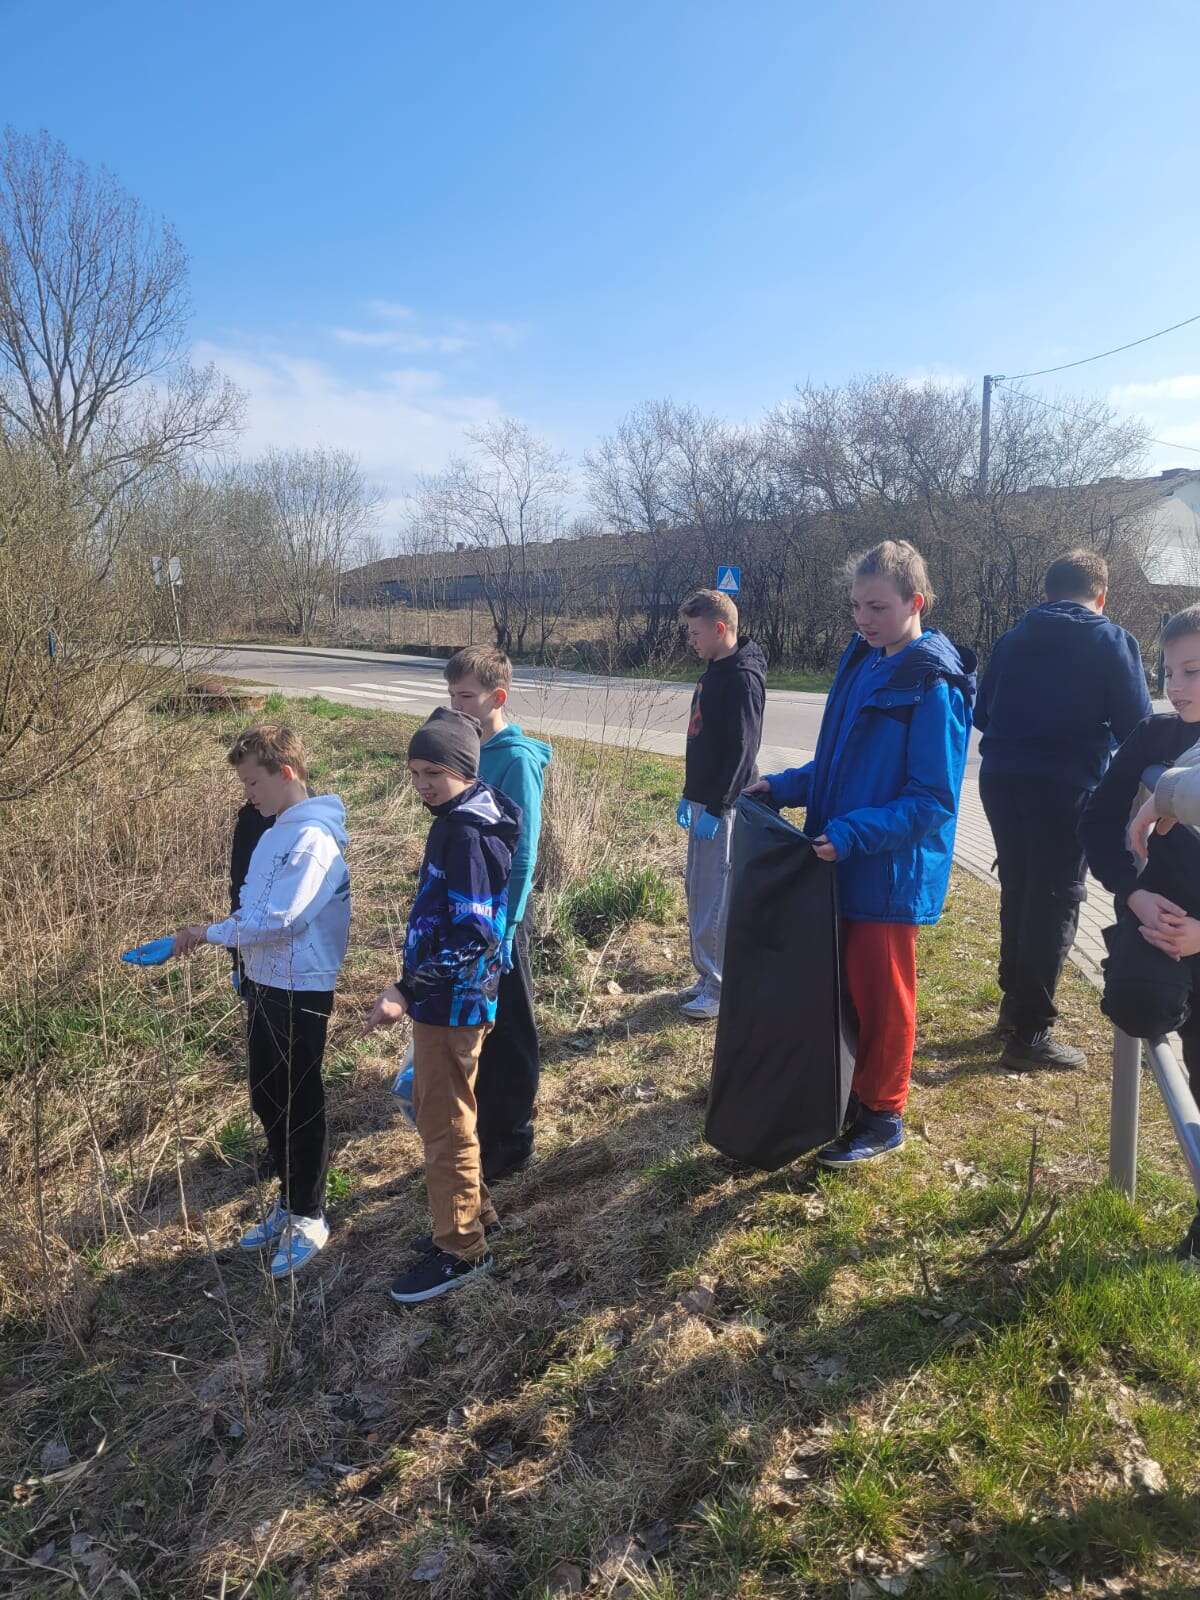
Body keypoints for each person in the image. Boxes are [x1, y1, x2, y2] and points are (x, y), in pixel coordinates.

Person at [746, 540, 975, 1166]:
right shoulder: (865, 660)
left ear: (915, 602)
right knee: (845, 990)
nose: (863, 618)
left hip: (888, 873)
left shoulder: (934, 684)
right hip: (841, 862)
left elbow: (932, 801)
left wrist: (852, 834)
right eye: (855, 606)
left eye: (877, 607)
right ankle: (849, 1091)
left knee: (883, 999)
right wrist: (784, 787)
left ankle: (883, 1114)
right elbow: (839, 762)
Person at [171, 725, 351, 1276]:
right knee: (267, 1095)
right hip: (265, 981)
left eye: (253, 782)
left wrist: (206, 933)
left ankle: (310, 1216)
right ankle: (289, 1201)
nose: (248, 794)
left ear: (286, 773)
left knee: (298, 1098)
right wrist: (235, 955)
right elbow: (251, 906)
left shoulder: (313, 839)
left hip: (301, 987)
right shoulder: (275, 831)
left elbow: (281, 919)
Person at [975, 549, 1151, 1070]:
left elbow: (982, 713)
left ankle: (1013, 1007)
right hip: (1065, 787)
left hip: (1001, 781)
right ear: (1101, 597)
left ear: (1047, 593)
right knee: (1055, 901)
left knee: (1019, 888)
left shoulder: (1012, 639)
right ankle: (1030, 1035)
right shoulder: (1112, 641)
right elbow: (1138, 728)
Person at [366, 707, 520, 1304]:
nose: (423, 784)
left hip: (450, 1005)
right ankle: (476, 1216)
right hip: (451, 1002)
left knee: (444, 1124)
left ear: (464, 770)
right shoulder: (463, 818)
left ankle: (460, 1250)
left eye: (434, 772)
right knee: (449, 1113)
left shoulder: (466, 834)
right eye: (414, 773)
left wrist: (407, 989)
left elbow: (475, 932)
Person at [1080, 603, 1200, 1265]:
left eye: (1193, 671)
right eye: (1168, 671)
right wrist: (1134, 894)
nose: (1176, 686)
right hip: (1158, 923)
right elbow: (1098, 822)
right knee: (1140, 1004)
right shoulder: (1152, 736)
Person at [444, 646, 552, 1181]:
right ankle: (484, 1123)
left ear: (498, 697)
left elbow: (524, 852)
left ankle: (512, 1139)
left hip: (504, 914)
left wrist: (507, 927)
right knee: (479, 1018)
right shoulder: (467, 748)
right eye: (452, 695)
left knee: (509, 1023)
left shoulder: (516, 761)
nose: (456, 706)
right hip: (471, 906)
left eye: (466, 696)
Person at [676, 589, 767, 1020]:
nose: (691, 640)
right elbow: (703, 741)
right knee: (698, 890)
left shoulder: (742, 679)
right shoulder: (714, 669)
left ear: (718, 629)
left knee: (715, 896)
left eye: (696, 633)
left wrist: (717, 806)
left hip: (722, 808)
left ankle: (718, 986)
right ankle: (705, 974)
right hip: (703, 801)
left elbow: (742, 751)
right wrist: (688, 792)